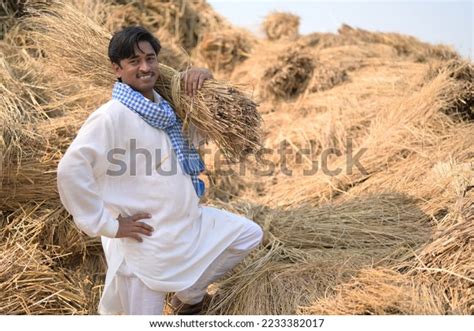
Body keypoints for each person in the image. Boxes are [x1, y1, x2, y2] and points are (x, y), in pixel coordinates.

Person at [57, 26, 263, 315]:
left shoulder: (166, 110)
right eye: (134, 61)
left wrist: (205, 80)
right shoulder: (112, 116)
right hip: (144, 241)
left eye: (150, 59)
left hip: (185, 225)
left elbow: (198, 132)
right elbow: (70, 170)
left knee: (247, 234)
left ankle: (188, 298)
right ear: (117, 69)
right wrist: (109, 225)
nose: (145, 67)